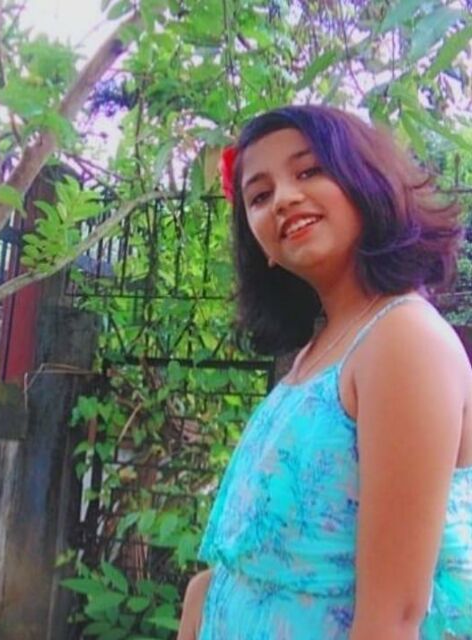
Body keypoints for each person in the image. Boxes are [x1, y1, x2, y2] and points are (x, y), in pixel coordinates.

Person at [177, 105, 472, 640]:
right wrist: (206, 594)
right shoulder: (321, 349)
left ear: (367, 184)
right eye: (259, 196)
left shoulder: (402, 338)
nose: (283, 198)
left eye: (309, 170)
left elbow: (392, 620)